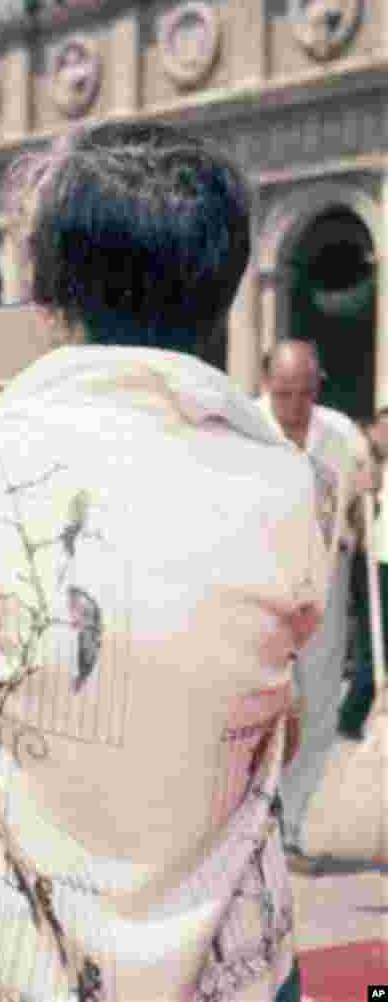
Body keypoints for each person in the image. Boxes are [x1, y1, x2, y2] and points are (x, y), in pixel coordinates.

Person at [0, 120, 325, 1002]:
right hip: (229, 964)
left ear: (48, 293)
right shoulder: (287, 487)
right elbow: (276, 714)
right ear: (223, 290)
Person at [258, 340, 370, 871]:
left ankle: (292, 830)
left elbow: (360, 498)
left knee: (322, 713)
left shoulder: (342, 436)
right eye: (284, 394)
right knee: (264, 711)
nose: (294, 406)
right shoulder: (243, 431)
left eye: (305, 393)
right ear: (266, 384)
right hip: (260, 595)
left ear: (317, 386)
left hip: (323, 591)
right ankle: (257, 828)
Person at [338, 407, 388, 739]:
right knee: (376, 640)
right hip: (376, 560)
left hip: (379, 556)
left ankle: (355, 713)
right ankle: (352, 715)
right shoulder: (363, 456)